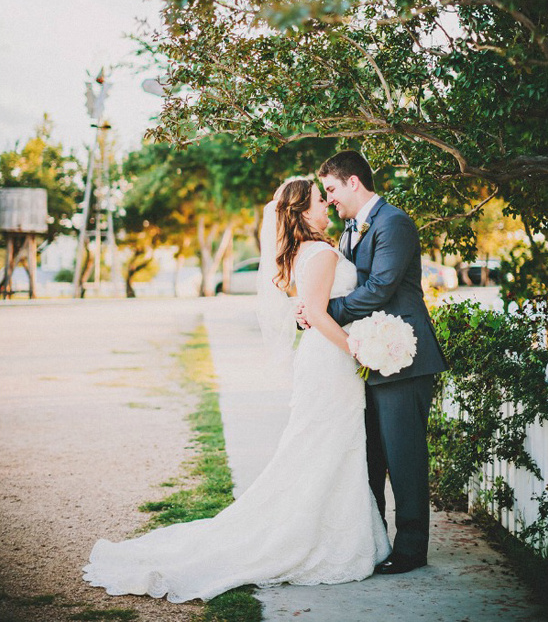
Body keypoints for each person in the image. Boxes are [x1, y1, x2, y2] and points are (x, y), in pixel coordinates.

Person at [83, 177, 390, 604]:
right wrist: (356, 348)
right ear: (302, 211)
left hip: (322, 361)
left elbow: (306, 307)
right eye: (320, 200)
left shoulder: (306, 251)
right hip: (330, 361)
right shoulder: (318, 252)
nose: (326, 205)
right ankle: (314, 539)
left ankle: (330, 530)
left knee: (326, 447)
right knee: (325, 446)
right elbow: (318, 315)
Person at [298, 150, 449, 575]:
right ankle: (375, 541)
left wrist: (324, 309)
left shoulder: (393, 223)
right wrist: (312, 310)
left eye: (330, 189)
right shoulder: (349, 229)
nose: (328, 200)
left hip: (404, 360)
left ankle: (411, 549)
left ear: (353, 183)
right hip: (367, 358)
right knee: (370, 458)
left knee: (404, 458)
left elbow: (381, 287)